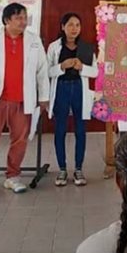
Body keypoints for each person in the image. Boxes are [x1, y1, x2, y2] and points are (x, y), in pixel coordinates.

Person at [0, 3, 49, 199]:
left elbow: (42, 70)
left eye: (25, 17)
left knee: (20, 140)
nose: (23, 22)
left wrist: (43, 97)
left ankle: (13, 176)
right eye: (18, 18)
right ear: (7, 20)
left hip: (23, 100)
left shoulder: (34, 41)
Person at [47, 12, 98, 187]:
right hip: (61, 88)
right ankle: (62, 169)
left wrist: (81, 67)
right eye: (70, 24)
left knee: (80, 129)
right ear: (62, 27)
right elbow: (47, 71)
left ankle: (78, 169)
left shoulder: (86, 48)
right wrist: (61, 66)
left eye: (77, 25)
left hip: (79, 88)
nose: (74, 28)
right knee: (60, 129)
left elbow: (95, 72)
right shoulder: (54, 47)